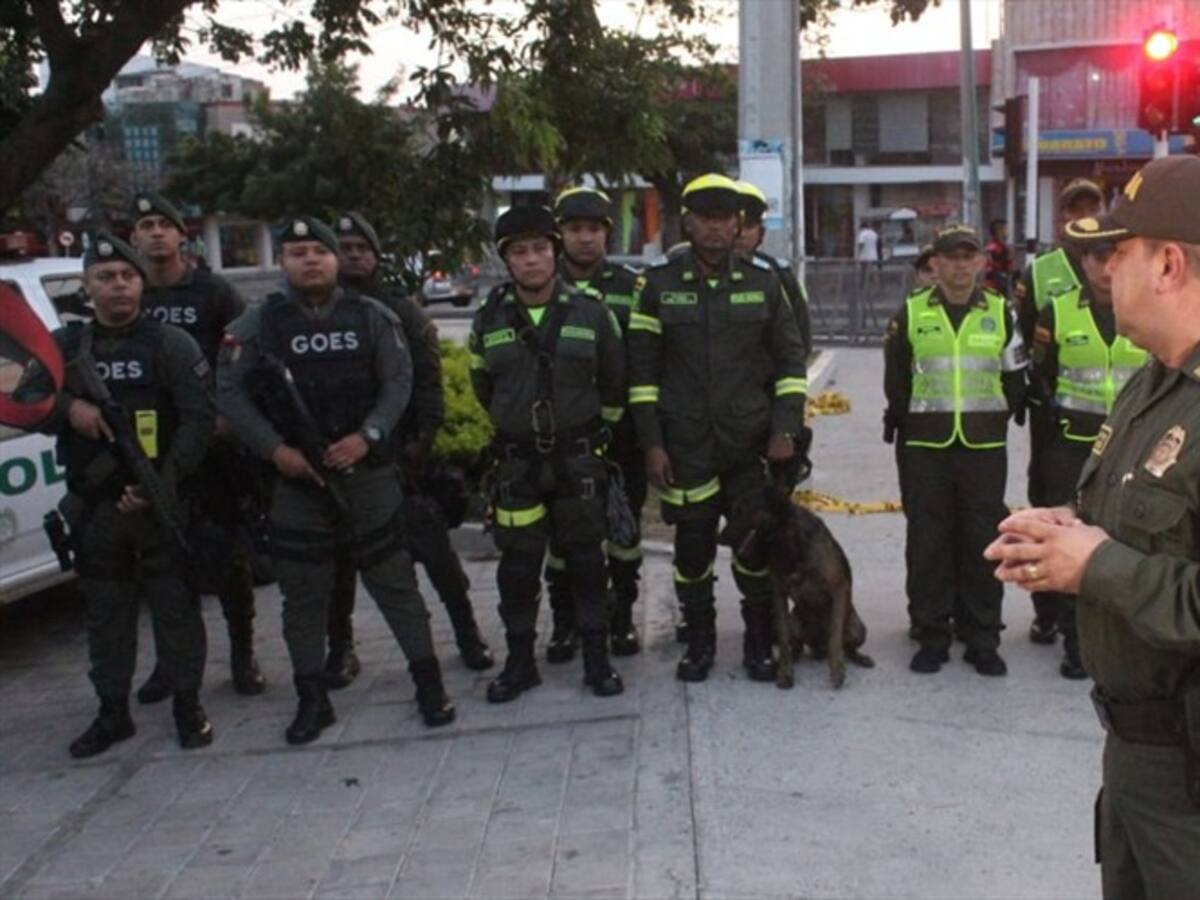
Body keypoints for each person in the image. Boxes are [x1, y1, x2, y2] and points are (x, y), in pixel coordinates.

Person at [985, 155, 1200, 900]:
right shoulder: (1153, 381)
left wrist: (1095, 565)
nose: (1103, 270)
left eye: (1117, 251)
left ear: (1168, 265)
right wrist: (1067, 532)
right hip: (1138, 756)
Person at [217, 216, 454, 743]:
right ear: (283, 262)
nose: (310, 261)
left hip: (366, 474)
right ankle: (312, 699)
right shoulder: (259, 324)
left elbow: (399, 380)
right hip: (297, 481)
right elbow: (229, 393)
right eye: (297, 252)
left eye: (319, 252)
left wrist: (368, 435)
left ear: (334, 261)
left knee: (395, 584)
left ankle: (429, 684)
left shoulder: (370, 316)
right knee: (303, 597)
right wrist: (275, 451)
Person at [19, 233, 215, 758]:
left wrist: (162, 486)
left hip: (162, 503)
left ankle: (188, 705)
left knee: (176, 610)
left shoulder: (171, 345)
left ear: (141, 283)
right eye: (105, 277)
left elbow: (198, 420)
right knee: (107, 616)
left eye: (128, 276)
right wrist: (70, 410)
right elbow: (25, 401)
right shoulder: (65, 348)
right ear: (87, 286)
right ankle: (112, 712)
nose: (118, 285)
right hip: (97, 508)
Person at [627, 173, 807, 683]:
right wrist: (652, 444)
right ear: (687, 223)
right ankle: (700, 643)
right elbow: (641, 374)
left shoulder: (763, 282)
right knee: (692, 550)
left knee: (754, 548)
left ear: (738, 225)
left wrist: (785, 430)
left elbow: (791, 362)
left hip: (750, 445)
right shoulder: (656, 284)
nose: (714, 228)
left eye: (724, 219)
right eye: (704, 219)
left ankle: (758, 643)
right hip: (685, 446)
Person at [468, 205, 626, 701]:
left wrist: (595, 438)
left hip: (578, 460)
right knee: (518, 569)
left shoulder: (592, 312)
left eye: (540, 249)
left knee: (587, 563)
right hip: (517, 466)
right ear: (507, 260)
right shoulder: (489, 317)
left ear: (554, 253)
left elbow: (615, 382)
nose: (531, 259)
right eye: (519, 252)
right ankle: (520, 664)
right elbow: (482, 383)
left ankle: (597, 660)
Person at [329, 211, 493, 682]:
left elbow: (428, 382)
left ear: (376, 256)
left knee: (437, 557)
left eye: (362, 248)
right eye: (344, 248)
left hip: (400, 458)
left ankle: (468, 635)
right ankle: (340, 648)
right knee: (339, 565)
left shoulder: (401, 311)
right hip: (335, 461)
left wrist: (422, 441)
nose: (353, 256)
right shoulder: (309, 314)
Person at [126, 191, 266, 702]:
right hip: (151, 448)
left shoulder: (213, 292)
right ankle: (172, 663)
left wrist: (232, 417)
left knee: (228, 557)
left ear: (181, 235)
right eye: (146, 226)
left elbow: (247, 355)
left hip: (213, 448)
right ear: (134, 237)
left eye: (164, 224)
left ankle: (243, 655)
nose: (155, 233)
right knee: (161, 564)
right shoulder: (129, 292)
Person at [883, 223, 1027, 677]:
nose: (961, 266)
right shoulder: (911, 313)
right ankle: (931, 635)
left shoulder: (1002, 312)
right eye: (951, 258)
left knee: (983, 541)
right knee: (929, 542)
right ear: (936, 263)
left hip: (983, 447)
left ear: (981, 263)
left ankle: (983, 637)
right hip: (926, 447)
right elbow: (897, 381)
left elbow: (1015, 377)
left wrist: (997, 418)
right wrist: (909, 426)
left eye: (969, 257)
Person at [1028, 234, 1148, 680]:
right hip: (1072, 445)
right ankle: (1075, 641)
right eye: (1098, 256)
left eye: (1115, 255)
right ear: (1084, 262)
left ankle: (1125, 635)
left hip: (1133, 446)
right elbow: (1041, 377)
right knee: (1069, 537)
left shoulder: (1146, 308)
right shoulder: (1058, 311)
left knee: (1126, 538)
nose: (1106, 265)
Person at [540, 187, 643, 662]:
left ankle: (621, 620)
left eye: (594, 229)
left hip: (623, 438)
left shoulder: (632, 287)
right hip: (562, 438)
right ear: (560, 234)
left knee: (623, 533)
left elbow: (644, 360)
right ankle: (566, 624)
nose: (585, 238)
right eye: (575, 229)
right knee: (563, 538)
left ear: (607, 233)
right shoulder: (541, 286)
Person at [1016, 179, 1107, 647]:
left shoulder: (1121, 257)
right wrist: (1038, 397)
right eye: (1075, 208)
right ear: (1062, 217)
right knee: (1048, 507)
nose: (1083, 215)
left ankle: (1090, 619)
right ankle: (1047, 611)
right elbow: (1026, 337)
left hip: (1109, 420)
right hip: (1052, 413)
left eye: (1093, 206)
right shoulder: (1040, 271)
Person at [983, 218, 1014, 296]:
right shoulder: (993, 248)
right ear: (998, 231)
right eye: (1005, 228)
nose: (1007, 231)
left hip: (1001, 285)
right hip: (994, 286)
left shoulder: (1002, 247)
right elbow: (991, 268)